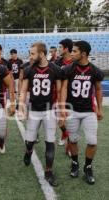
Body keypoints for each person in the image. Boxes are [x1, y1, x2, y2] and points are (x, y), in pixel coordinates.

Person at [60, 41, 104, 185]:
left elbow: (97, 89)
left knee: (92, 141)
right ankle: (74, 163)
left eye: (74, 51)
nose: (71, 54)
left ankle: (88, 166)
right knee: (72, 140)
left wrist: (99, 108)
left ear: (83, 53)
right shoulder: (68, 69)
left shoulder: (95, 70)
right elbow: (64, 88)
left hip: (88, 111)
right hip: (72, 110)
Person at [19, 42, 61, 186]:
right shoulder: (29, 69)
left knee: (50, 141)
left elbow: (60, 91)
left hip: (49, 110)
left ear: (42, 54)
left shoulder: (55, 69)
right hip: (34, 110)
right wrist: (21, 106)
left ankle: (48, 171)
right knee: (30, 140)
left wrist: (61, 110)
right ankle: (29, 151)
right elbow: (24, 90)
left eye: (32, 53)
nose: (30, 56)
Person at [55, 39, 74, 150]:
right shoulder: (57, 62)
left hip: (72, 96)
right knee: (60, 122)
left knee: (71, 123)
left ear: (66, 49)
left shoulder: (75, 62)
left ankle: (70, 147)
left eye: (61, 47)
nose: (59, 50)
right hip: (60, 94)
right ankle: (64, 133)